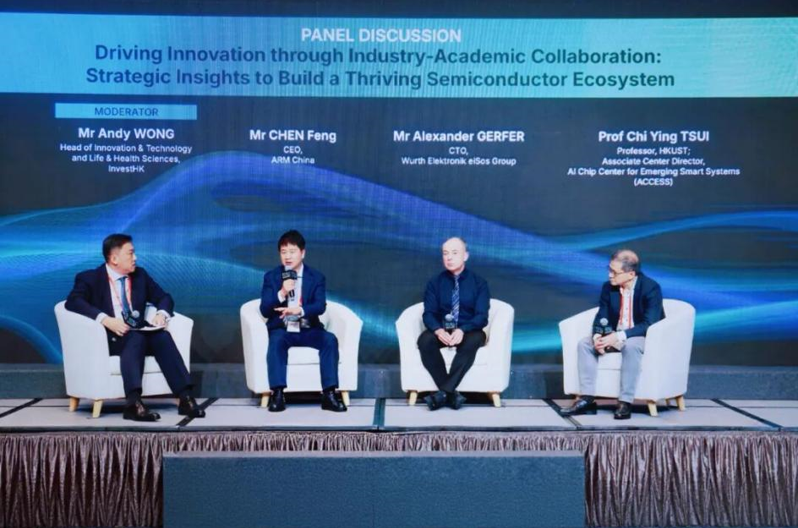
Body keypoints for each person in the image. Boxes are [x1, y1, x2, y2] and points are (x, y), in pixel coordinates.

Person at [65, 234, 205, 421]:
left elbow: (164, 297)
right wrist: (105, 319)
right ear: (114, 258)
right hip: (110, 338)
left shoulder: (140, 275)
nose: (135, 258)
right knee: (135, 337)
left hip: (138, 333)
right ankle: (133, 403)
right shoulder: (90, 278)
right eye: (130, 253)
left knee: (162, 337)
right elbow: (73, 301)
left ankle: (185, 398)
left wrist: (161, 314)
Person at [560, 249, 664, 420]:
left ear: (631, 274)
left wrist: (618, 336)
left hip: (641, 336)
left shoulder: (650, 288)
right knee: (584, 344)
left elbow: (649, 324)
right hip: (615, 335)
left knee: (631, 346)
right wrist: (597, 335)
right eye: (609, 270)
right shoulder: (608, 287)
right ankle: (587, 399)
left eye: (614, 272)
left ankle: (625, 402)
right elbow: (602, 315)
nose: (610, 275)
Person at [259, 230, 346, 413]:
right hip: (282, 328)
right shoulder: (272, 277)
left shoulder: (316, 277)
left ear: (302, 253)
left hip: (308, 328)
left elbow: (320, 306)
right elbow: (265, 310)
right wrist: (282, 292)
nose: (288, 257)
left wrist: (300, 310)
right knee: (276, 341)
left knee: (330, 340)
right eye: (284, 252)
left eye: (292, 251)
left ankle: (329, 394)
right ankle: (278, 395)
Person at [418, 237, 490, 410]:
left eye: (454, 253)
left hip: (470, 330)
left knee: (473, 340)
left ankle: (442, 393)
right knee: (425, 340)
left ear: (465, 256)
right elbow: (428, 313)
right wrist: (438, 330)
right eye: (445, 253)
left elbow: (482, 316)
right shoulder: (435, 283)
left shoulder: (479, 283)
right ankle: (451, 395)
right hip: (443, 329)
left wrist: (463, 330)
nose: (449, 257)